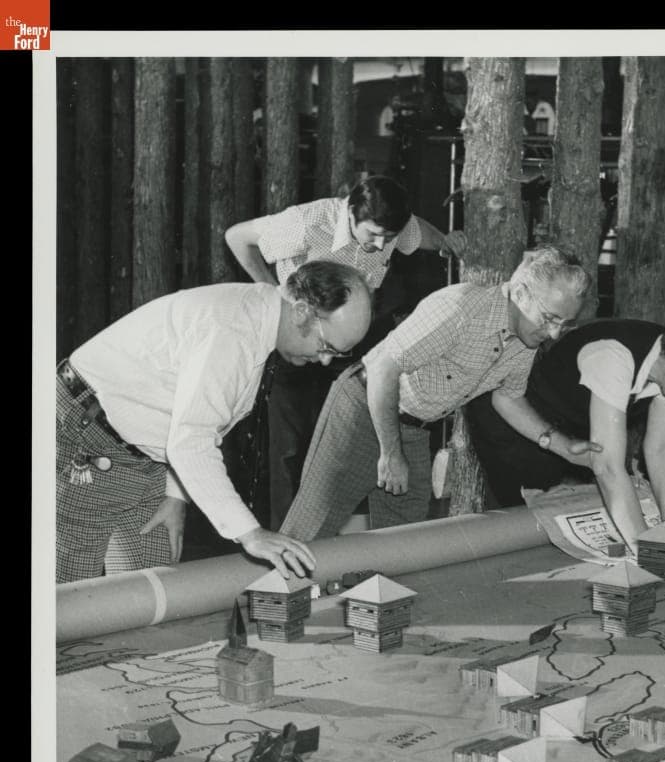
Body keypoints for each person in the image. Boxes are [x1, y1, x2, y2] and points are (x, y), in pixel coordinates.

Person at [55, 260, 372, 585]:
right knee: (71, 599)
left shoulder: (261, 324)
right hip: (87, 433)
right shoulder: (234, 330)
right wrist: (251, 534)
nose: (325, 360)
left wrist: (176, 494)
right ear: (302, 311)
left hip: (142, 452)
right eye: (326, 347)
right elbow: (192, 442)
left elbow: (197, 419)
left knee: (151, 590)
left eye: (337, 354)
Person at [280, 245, 596, 541]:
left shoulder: (526, 341)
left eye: (564, 325)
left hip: (414, 427)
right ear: (521, 293)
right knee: (312, 528)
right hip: (363, 406)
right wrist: (390, 452)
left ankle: (380, 596)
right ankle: (272, 597)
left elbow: (508, 398)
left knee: (406, 539)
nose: (553, 333)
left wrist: (565, 447)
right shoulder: (461, 309)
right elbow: (383, 368)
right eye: (550, 318)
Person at [225, 176, 468, 525]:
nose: (381, 243)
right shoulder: (308, 222)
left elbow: (418, 235)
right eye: (373, 234)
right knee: (290, 450)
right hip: (300, 343)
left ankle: (346, 544)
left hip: (350, 346)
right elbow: (237, 237)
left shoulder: (391, 227)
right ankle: (286, 539)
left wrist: (446, 242)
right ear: (351, 212)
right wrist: (272, 294)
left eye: (388, 237)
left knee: (347, 445)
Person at [466, 317, 665, 551]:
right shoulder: (614, 357)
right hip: (514, 426)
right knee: (514, 529)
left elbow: (661, 447)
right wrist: (646, 547)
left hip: (570, 435)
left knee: (555, 523)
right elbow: (608, 468)